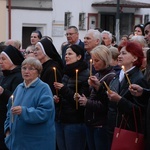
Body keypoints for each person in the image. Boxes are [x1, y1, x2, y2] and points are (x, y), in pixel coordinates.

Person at [4, 57, 55, 150]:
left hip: (36, 142)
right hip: (17, 142)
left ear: (38, 72)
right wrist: (7, 129)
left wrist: (23, 111)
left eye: (31, 68)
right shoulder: (19, 87)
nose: (26, 71)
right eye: (24, 68)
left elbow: (44, 112)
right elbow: (9, 110)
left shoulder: (44, 88)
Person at [106, 41, 149, 150]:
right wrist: (99, 89)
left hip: (127, 131)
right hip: (113, 128)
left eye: (124, 53)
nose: (119, 56)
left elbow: (139, 111)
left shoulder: (138, 79)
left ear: (134, 58)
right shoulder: (118, 75)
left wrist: (120, 100)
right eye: (119, 53)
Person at [78, 45, 116, 150]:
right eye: (92, 60)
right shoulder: (98, 75)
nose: (94, 63)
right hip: (92, 122)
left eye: (97, 60)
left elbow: (107, 104)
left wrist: (87, 102)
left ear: (105, 60)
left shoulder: (111, 77)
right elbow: (93, 96)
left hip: (100, 125)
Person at [53, 44, 89, 150]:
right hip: (61, 118)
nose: (66, 56)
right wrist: (57, 99)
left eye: (70, 54)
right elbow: (65, 96)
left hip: (75, 121)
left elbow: (80, 101)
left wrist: (63, 89)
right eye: (66, 54)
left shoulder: (85, 74)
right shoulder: (66, 72)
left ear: (79, 57)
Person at [0, 45, 24, 150]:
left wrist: (3, 91)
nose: (0, 62)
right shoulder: (5, 75)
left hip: (10, 118)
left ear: (12, 60)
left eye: (3, 59)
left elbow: (17, 98)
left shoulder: (18, 77)